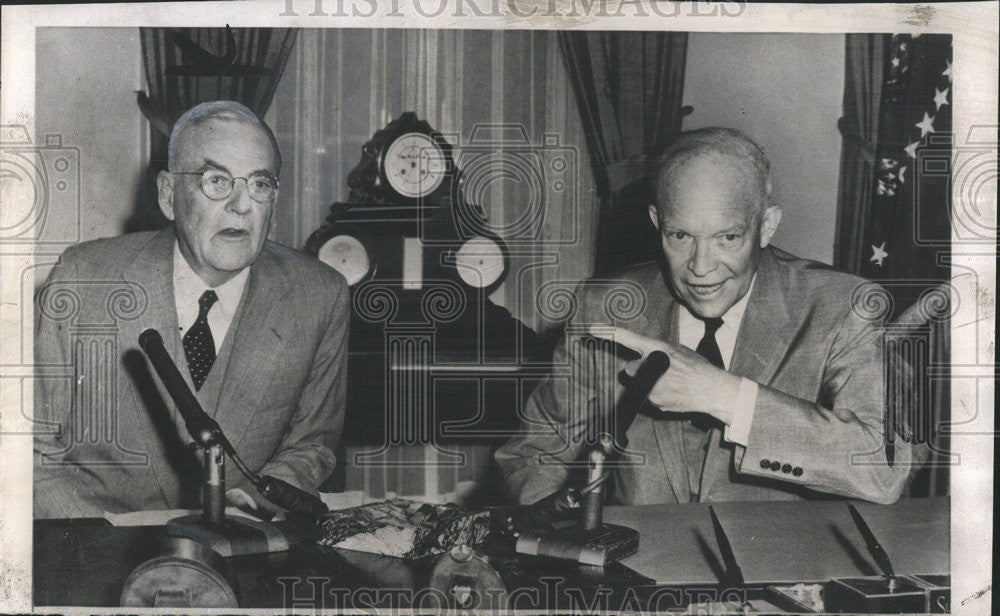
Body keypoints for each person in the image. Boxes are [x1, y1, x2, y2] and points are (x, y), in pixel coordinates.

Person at [496, 127, 913, 505]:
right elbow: (533, 455)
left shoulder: (843, 307)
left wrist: (725, 396)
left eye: (727, 238)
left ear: (766, 226)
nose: (700, 266)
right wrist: (560, 540)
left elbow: (884, 469)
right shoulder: (605, 308)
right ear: (657, 223)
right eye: (680, 236)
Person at [34, 101, 349, 518]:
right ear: (168, 195)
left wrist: (251, 509)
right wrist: (101, 542)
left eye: (260, 184)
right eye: (216, 181)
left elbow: (312, 444)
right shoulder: (83, 278)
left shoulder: (320, 294)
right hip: (99, 550)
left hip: (240, 552)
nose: (241, 205)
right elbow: (31, 450)